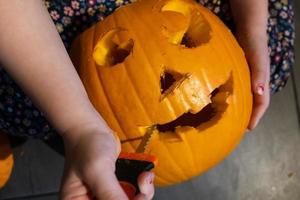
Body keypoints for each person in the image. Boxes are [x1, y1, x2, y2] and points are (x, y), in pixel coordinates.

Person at [0, 0, 294, 199]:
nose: (174, 82)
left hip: (179, 10)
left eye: (184, 41)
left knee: (266, 58)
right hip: (39, 31)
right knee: (32, 98)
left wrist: (252, 31)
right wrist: (79, 126)